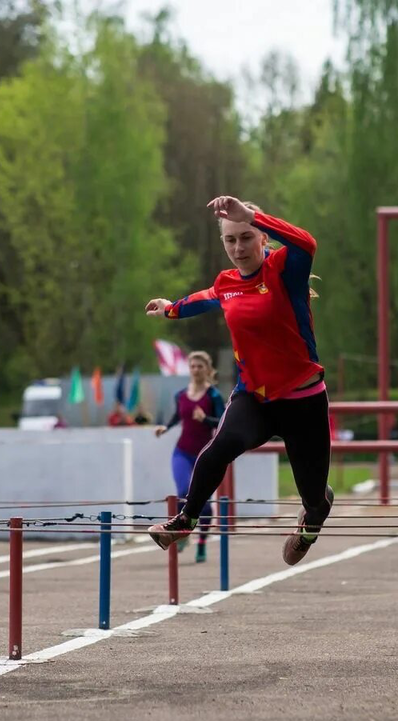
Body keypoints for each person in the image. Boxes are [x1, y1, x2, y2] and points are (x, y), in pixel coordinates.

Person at [145, 196, 333, 566]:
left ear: (263, 238)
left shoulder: (284, 269)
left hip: (303, 400)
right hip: (256, 399)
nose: (238, 248)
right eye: (230, 241)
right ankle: (186, 520)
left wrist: (253, 216)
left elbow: (307, 242)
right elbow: (207, 298)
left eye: (246, 237)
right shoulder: (227, 283)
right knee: (219, 448)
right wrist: (170, 309)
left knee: (313, 499)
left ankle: (310, 523)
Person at [154, 351, 225, 563]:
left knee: (203, 502)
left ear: (207, 369)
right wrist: (165, 428)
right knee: (183, 491)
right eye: (192, 366)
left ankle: (202, 543)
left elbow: (223, 421)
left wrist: (205, 419)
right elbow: (177, 416)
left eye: (199, 366)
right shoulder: (181, 395)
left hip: (205, 454)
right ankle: (181, 533)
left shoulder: (213, 395)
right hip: (182, 451)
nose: (195, 370)